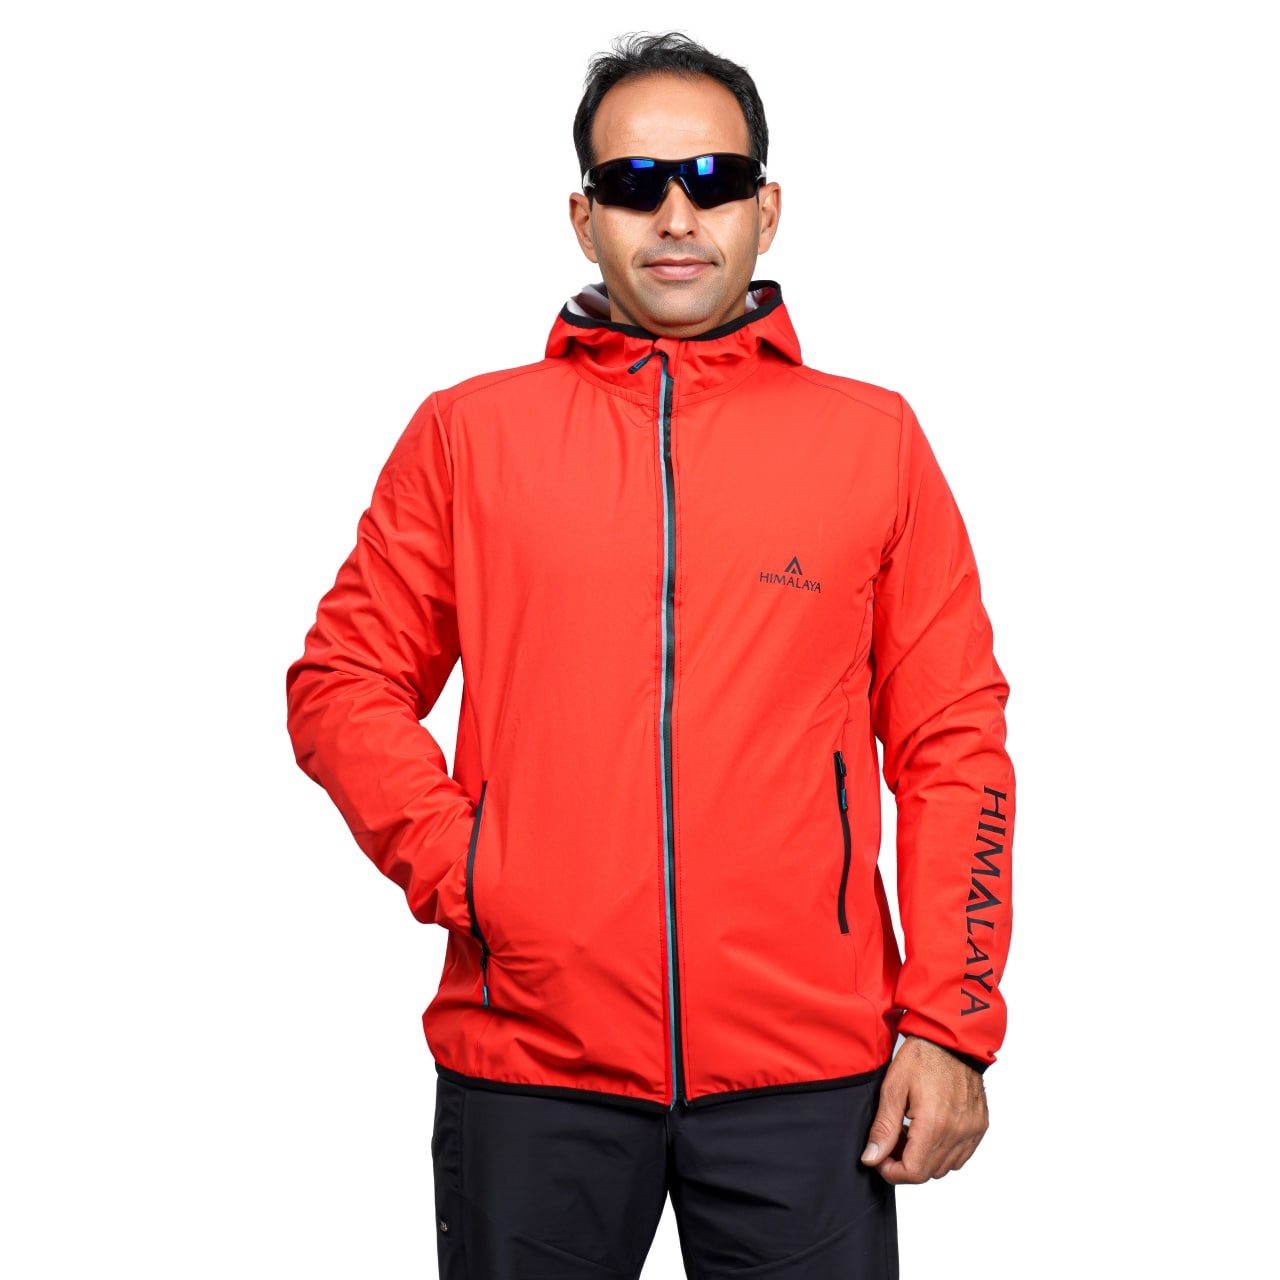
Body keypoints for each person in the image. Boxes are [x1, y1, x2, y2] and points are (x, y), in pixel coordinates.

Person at [285, 30, 1015, 1280]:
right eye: (633, 184)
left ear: (765, 209)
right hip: (532, 1061)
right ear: (583, 218)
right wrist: (473, 868)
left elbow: (952, 740)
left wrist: (949, 1019)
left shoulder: (872, 440)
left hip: (809, 1069)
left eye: (711, 179)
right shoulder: (469, 435)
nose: (676, 216)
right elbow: (342, 681)